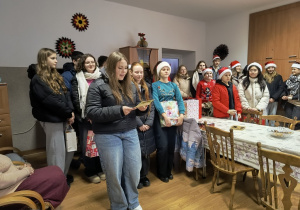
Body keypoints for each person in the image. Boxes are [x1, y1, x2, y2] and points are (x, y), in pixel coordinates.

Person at [85, 52, 148, 210]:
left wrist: (141, 109)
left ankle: (133, 203)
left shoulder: (131, 84)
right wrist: (119, 110)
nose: (123, 71)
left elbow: (134, 107)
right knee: (114, 174)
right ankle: (119, 205)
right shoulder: (97, 85)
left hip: (130, 131)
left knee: (134, 170)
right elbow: (91, 112)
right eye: (120, 68)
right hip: (107, 134)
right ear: (111, 67)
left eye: (125, 68)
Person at [28, 48, 75, 183]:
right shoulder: (38, 79)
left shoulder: (56, 76)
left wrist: (70, 112)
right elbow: (50, 100)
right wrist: (67, 112)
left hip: (64, 117)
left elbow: (66, 95)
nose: (56, 60)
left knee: (69, 150)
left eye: (56, 58)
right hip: (51, 120)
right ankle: (55, 182)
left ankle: (63, 177)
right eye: (53, 58)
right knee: (56, 152)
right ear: (44, 60)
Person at [71, 54, 105, 184]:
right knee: (88, 146)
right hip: (85, 119)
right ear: (82, 65)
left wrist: (99, 115)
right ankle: (90, 171)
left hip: (100, 118)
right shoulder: (77, 78)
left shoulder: (101, 77)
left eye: (92, 62)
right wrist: (88, 116)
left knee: (100, 145)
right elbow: (76, 100)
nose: (91, 64)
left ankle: (100, 169)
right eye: (87, 63)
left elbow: (105, 97)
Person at [152, 61, 185, 183]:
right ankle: (161, 172)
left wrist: (181, 114)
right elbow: (155, 101)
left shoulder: (173, 86)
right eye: (163, 69)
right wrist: (164, 115)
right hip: (161, 119)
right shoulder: (155, 85)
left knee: (171, 146)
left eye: (167, 69)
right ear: (159, 72)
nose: (166, 71)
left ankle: (168, 170)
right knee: (163, 146)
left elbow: (180, 100)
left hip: (173, 119)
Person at [0, 154, 69, 209]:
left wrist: (20, 168)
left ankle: (47, 201)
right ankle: (46, 202)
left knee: (55, 170)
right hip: (13, 190)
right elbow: (2, 181)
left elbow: (5, 170)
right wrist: (26, 171)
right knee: (57, 176)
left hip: (16, 182)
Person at [130, 62, 156, 189]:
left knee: (146, 153)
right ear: (131, 73)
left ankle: (144, 176)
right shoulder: (128, 88)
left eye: (141, 72)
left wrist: (149, 123)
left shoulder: (147, 86)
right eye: (136, 72)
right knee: (136, 154)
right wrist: (140, 124)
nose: (139, 74)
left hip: (147, 125)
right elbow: (130, 109)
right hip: (135, 126)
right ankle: (137, 177)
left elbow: (152, 105)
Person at [263, 61, 284, 126]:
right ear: (266, 69)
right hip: (264, 100)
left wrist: (274, 98)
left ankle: (271, 130)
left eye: (272, 67)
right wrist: (266, 98)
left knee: (272, 116)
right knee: (264, 117)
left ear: (274, 68)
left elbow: (281, 88)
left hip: (274, 100)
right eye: (269, 68)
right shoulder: (263, 77)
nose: (270, 69)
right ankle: (264, 130)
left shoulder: (278, 77)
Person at [281, 62, 300, 130]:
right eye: (292, 69)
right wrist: (284, 95)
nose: (292, 71)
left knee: (295, 123)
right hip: (289, 103)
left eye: (294, 69)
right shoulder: (290, 79)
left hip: (298, 104)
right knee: (287, 121)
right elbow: (283, 88)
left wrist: (291, 97)